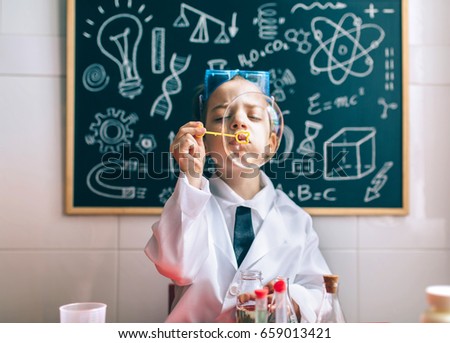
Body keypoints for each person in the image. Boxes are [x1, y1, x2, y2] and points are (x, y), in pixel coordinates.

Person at [145, 69, 331, 323]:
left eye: (253, 116)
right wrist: (190, 175)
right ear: (205, 140)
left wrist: (291, 300)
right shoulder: (188, 203)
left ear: (271, 143)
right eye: (222, 116)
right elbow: (176, 266)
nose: (238, 123)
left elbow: (321, 294)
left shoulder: (296, 221)